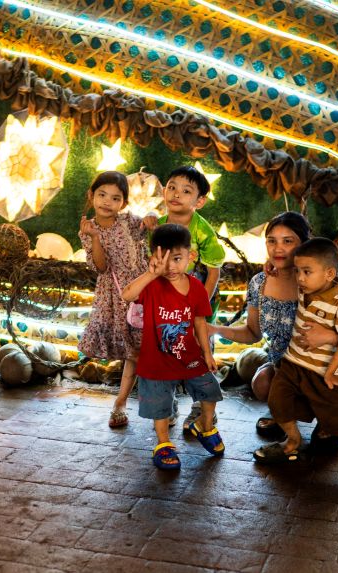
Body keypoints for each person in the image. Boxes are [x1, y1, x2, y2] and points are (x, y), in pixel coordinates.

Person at [209, 212, 338, 448]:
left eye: (288, 241)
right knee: (262, 381)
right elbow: (252, 333)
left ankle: (327, 417)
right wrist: (213, 329)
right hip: (288, 371)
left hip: (328, 370)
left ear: (304, 244)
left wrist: (330, 336)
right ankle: (286, 413)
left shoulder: (318, 283)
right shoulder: (259, 283)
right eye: (272, 240)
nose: (278, 248)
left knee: (326, 438)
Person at [251, 238, 338, 480]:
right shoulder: (305, 287)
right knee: (278, 401)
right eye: (298, 271)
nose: (300, 277)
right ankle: (292, 440)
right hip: (293, 363)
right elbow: (285, 271)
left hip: (323, 368)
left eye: (306, 272)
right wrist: (269, 265)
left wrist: (332, 371)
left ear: (329, 273)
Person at [121, 224, 225, 470]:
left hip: (189, 357)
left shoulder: (197, 287)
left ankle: (205, 425)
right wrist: (150, 274)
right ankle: (163, 443)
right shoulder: (152, 285)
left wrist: (207, 354)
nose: (170, 266)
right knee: (160, 405)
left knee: (209, 390)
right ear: (153, 259)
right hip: (156, 361)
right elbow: (126, 295)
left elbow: (200, 322)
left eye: (176, 259)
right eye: (163, 260)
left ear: (191, 256)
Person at [152, 166, 226, 431]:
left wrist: (200, 305)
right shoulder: (159, 226)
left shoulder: (203, 231)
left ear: (200, 201)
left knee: (199, 353)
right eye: (172, 187)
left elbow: (214, 269)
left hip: (196, 303)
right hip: (167, 305)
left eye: (186, 191)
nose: (176, 194)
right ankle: (167, 405)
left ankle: (202, 409)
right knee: (166, 350)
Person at [77, 171, 149, 428]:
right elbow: (100, 267)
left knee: (143, 349)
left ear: (124, 204)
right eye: (102, 195)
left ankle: (159, 403)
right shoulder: (87, 230)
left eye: (115, 198)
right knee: (132, 351)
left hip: (143, 289)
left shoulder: (129, 221)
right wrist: (96, 237)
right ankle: (121, 402)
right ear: (91, 195)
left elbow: (148, 231)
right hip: (115, 296)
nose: (107, 201)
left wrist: (152, 221)